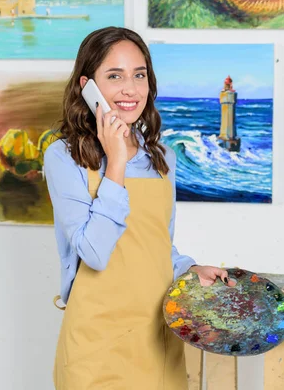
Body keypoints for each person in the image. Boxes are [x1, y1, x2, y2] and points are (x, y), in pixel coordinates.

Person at [44, 26, 234, 389]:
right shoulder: (64, 157)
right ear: (88, 86)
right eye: (114, 76)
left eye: (139, 74)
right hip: (96, 345)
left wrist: (189, 269)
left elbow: (155, 243)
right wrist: (115, 162)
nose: (130, 89)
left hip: (157, 341)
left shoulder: (162, 158)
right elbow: (96, 253)